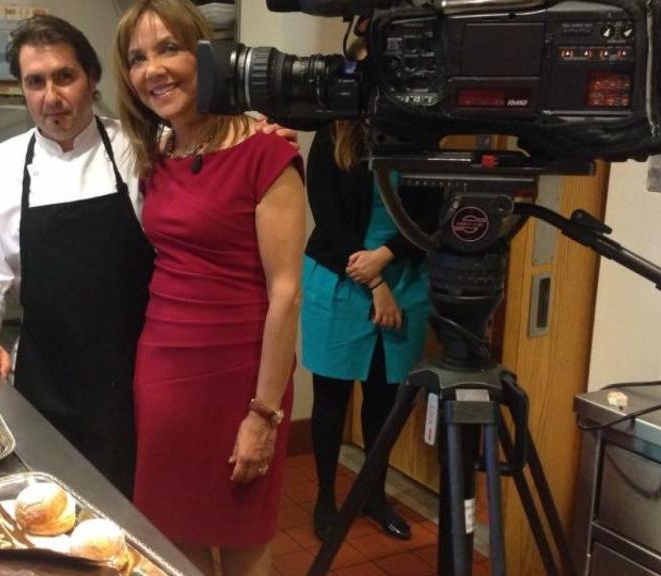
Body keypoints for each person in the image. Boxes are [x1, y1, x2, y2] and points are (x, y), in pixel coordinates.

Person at [113, 1, 305, 574]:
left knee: (243, 539)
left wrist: (264, 416)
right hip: (163, 369)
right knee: (174, 538)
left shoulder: (268, 154)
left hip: (241, 376)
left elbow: (287, 294)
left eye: (168, 48)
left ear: (205, 55)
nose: (154, 70)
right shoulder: (154, 153)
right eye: (137, 58)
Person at [0, 15, 153, 497]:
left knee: (135, 513)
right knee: (54, 505)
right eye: (35, 82)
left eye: (65, 77)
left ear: (92, 77)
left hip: (135, 378)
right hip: (47, 382)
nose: (51, 96)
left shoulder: (138, 149)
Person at [301, 118, 440, 541]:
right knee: (331, 399)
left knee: (386, 398)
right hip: (341, 273)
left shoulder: (422, 133)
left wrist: (386, 257)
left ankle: (373, 494)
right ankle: (325, 498)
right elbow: (325, 213)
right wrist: (373, 277)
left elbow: (431, 213)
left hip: (405, 277)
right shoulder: (332, 135)